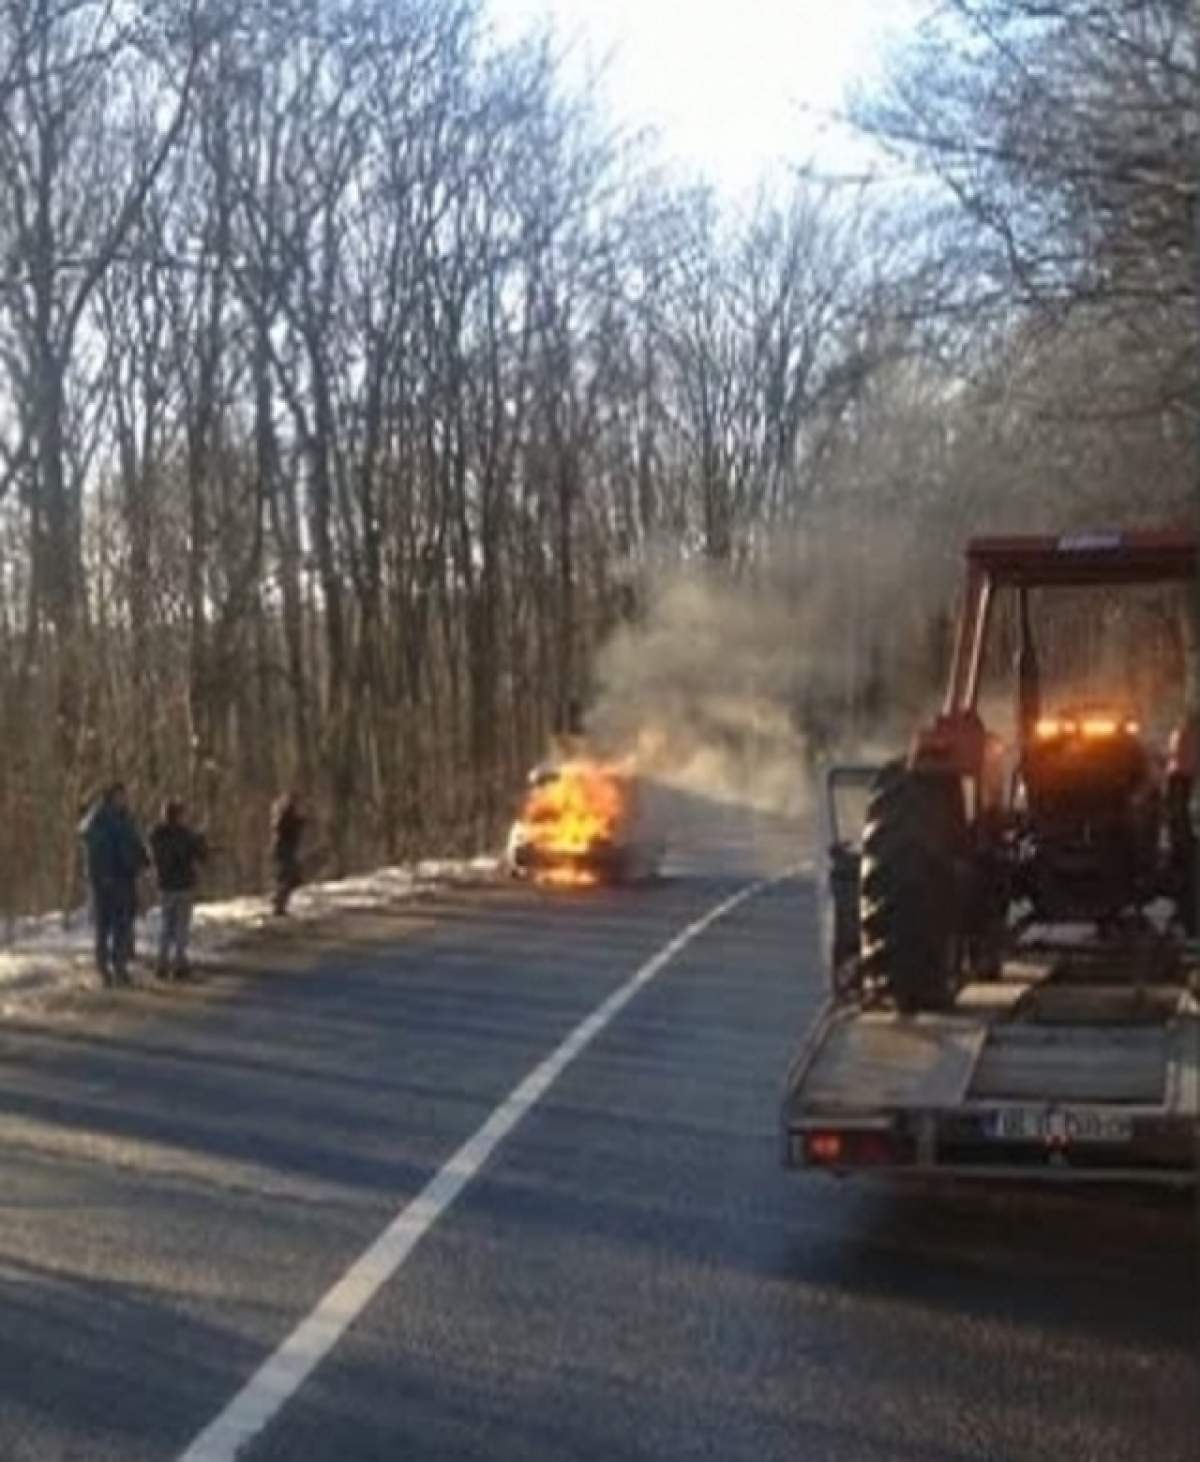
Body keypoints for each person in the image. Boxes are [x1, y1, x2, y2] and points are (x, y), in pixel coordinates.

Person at [79, 782, 149, 987]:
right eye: (120, 796)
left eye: (124, 796)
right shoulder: (98, 820)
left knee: (123, 925)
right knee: (104, 926)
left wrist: (143, 859)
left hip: (125, 878)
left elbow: (134, 842)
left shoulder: (125, 818)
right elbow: (96, 852)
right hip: (105, 881)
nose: (124, 799)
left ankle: (119, 968)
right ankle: (103, 969)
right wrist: (102, 875)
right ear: (110, 797)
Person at [148, 799, 208, 980]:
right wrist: (201, 840)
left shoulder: (156, 835)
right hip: (183, 885)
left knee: (166, 925)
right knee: (181, 926)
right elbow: (201, 856)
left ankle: (161, 962)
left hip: (165, 885)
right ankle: (179, 963)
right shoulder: (186, 835)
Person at [270, 791, 306, 915]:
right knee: (287, 877)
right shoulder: (284, 817)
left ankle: (279, 902)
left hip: (287, 850)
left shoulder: (286, 816)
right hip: (284, 850)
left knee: (291, 878)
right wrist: (298, 823)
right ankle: (278, 904)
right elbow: (285, 829)